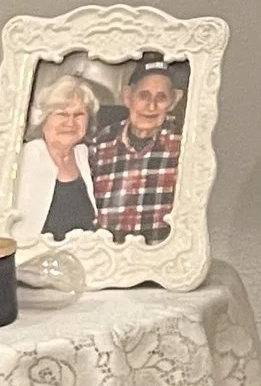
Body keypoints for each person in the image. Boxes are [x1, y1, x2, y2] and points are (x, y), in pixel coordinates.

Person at [90, 60, 184, 244]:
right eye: (143, 96)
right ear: (127, 97)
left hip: (159, 255)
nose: (151, 106)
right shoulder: (99, 144)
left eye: (161, 98)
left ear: (173, 101)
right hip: (105, 253)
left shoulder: (183, 147)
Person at [13, 74, 99, 247]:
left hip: (82, 257)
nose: (70, 122)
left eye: (79, 114)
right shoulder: (23, 159)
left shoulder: (84, 156)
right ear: (43, 118)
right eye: (62, 114)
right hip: (31, 259)